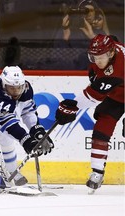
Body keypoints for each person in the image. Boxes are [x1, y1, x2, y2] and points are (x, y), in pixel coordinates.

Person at [55, 34, 124, 194]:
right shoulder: (110, 49)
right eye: (94, 57)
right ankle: (97, 172)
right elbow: (112, 38)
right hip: (117, 95)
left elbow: (92, 97)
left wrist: (72, 106)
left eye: (101, 57)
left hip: (119, 86)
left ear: (112, 53)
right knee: (102, 128)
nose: (97, 61)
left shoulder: (118, 69)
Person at [0, 66, 54, 186]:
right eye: (12, 88)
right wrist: (26, 140)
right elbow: (7, 124)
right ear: (4, 85)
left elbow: (28, 111)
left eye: (18, 88)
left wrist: (38, 131)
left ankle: (11, 171)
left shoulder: (26, 89)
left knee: (5, 140)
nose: (16, 92)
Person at [54, 0, 110, 69]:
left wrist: (93, 37)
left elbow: (108, 57)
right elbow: (57, 57)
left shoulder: (100, 34)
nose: (89, 13)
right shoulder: (68, 31)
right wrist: (65, 37)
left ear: (95, 13)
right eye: (85, 11)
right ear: (80, 14)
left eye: (91, 11)